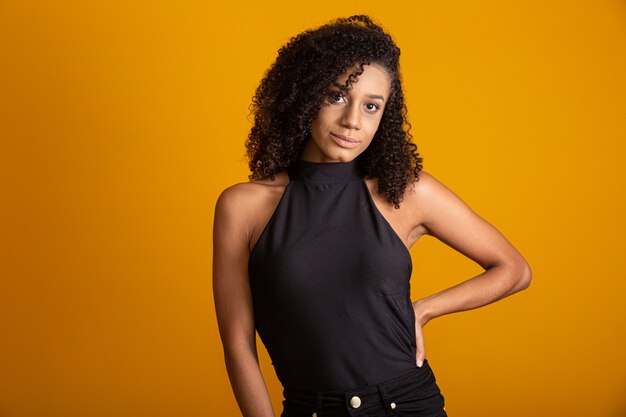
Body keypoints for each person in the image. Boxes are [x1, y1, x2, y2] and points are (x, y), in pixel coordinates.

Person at [212, 15, 532, 417]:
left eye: (371, 106)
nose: (353, 121)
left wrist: (424, 309)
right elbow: (238, 342)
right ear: (305, 95)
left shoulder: (405, 193)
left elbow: (514, 270)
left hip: (409, 405)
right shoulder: (243, 207)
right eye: (337, 97)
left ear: (385, 115)